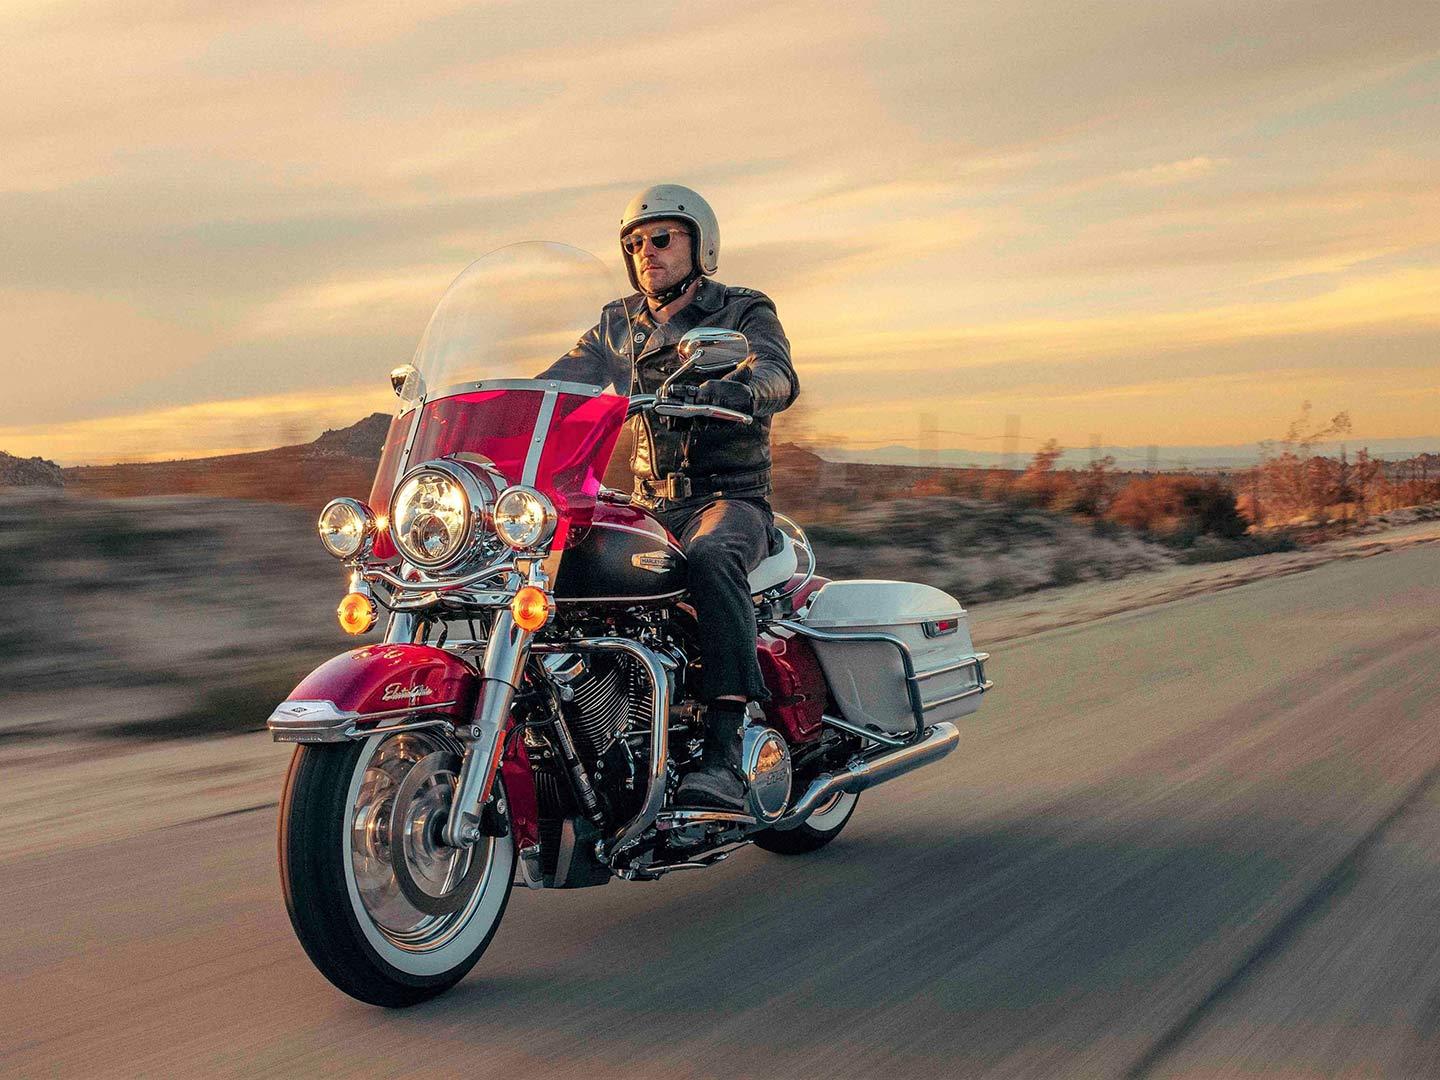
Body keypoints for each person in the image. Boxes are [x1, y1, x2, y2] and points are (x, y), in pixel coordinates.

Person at [543, 183, 798, 809]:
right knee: (553, 562)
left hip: (728, 499)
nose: (645, 252)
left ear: (699, 244)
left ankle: (723, 747)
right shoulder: (616, 322)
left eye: (661, 238)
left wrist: (738, 391)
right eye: (634, 244)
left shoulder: (741, 309)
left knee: (711, 557)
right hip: (649, 504)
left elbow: (776, 373)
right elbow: (558, 380)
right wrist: (497, 406)